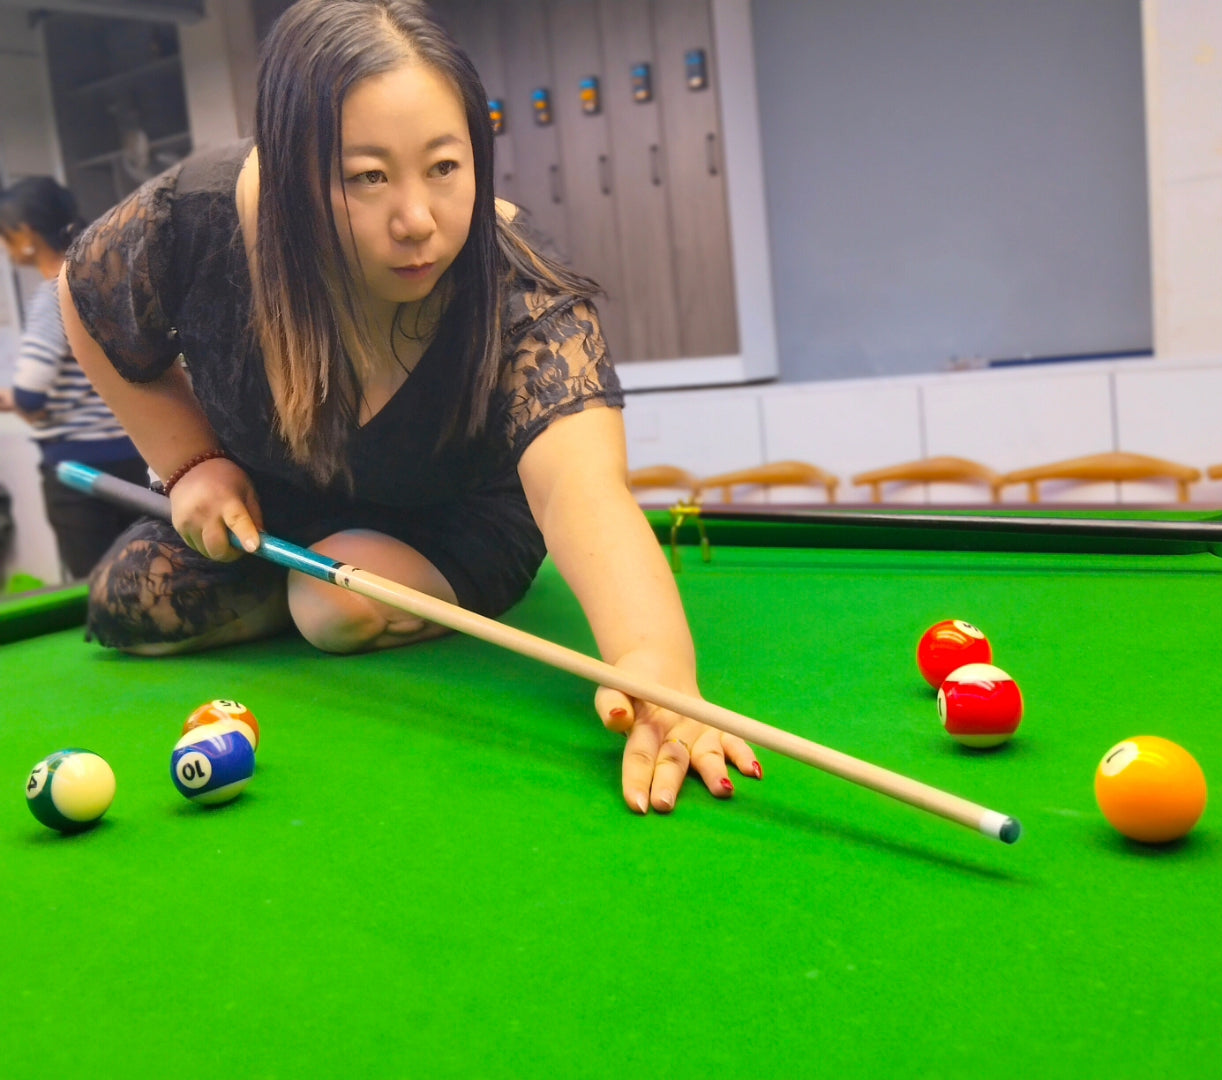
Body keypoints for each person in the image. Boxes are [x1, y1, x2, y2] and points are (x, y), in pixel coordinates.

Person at [60, 0, 758, 814]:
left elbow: (580, 492)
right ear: (290, 174)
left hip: (454, 517)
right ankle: (296, 570)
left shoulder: (518, 284)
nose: (418, 220)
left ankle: (319, 587)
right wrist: (192, 462)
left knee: (332, 603)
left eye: (444, 167)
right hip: (278, 495)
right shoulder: (197, 220)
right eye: (367, 177)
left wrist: (656, 668)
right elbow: (86, 297)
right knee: (125, 600)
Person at [0, 177, 150, 580]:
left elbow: (31, 394)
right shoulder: (104, 288)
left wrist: (15, 401)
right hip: (133, 459)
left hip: (78, 473)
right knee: (142, 577)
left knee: (98, 587)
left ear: (26, 236)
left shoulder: (52, 298)